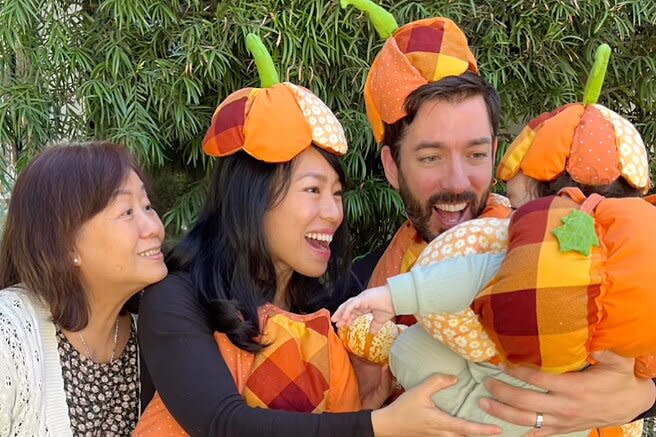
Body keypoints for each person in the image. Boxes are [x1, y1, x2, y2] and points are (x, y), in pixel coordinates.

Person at [134, 34, 501, 437]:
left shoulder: (338, 302)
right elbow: (222, 424)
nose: (333, 213)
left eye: (337, 194)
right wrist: (379, 424)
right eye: (312, 190)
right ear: (251, 198)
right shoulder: (178, 297)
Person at [341, 1, 656, 434]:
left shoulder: (547, 248)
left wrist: (643, 395)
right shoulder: (359, 287)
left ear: (494, 153)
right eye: (430, 157)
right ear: (393, 167)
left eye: (474, 154)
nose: (458, 181)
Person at [0, 142, 168, 436]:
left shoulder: (157, 333)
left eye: (147, 206)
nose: (154, 227)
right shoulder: (9, 336)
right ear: (65, 244)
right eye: (127, 212)